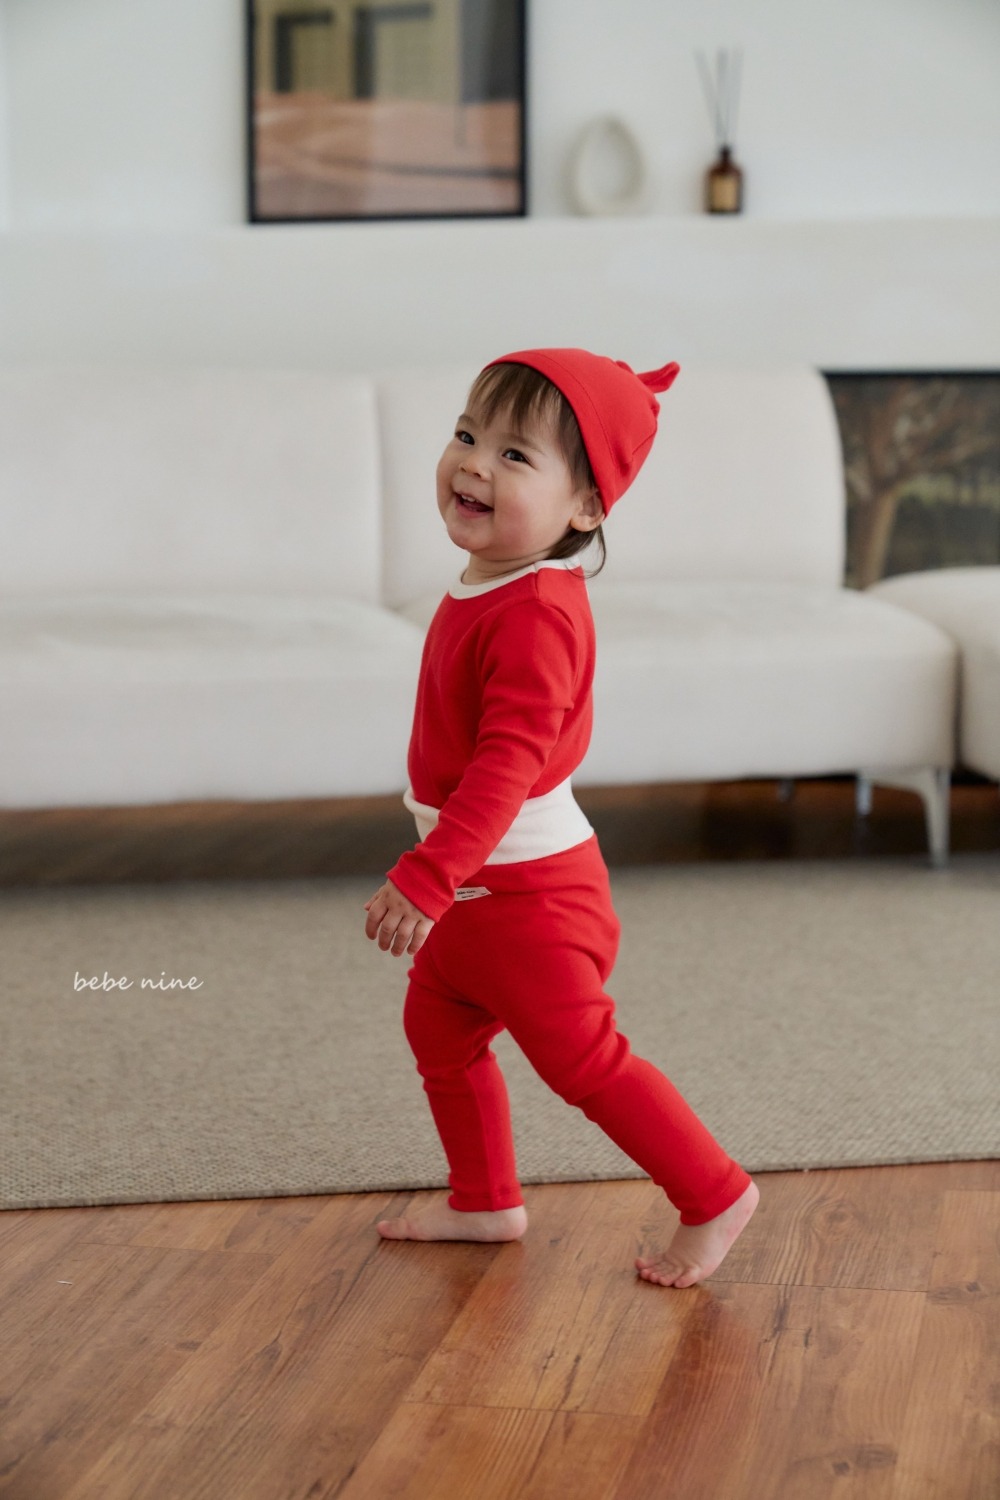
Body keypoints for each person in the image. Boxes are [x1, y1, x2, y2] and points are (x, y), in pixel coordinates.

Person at [363, 347, 758, 1287]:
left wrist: (428, 875)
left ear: (584, 508)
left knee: (583, 1061)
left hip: (526, 896)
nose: (474, 464)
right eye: (467, 435)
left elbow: (507, 768)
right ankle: (485, 1200)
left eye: (514, 455)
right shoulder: (491, 582)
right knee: (439, 1031)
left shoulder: (537, 612)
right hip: (482, 891)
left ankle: (714, 1193)